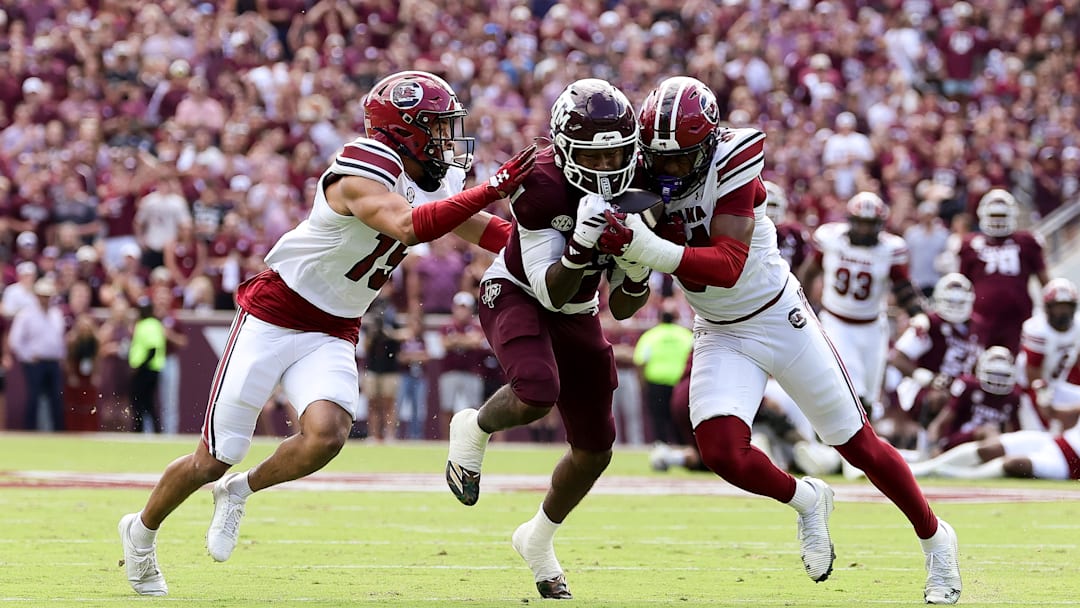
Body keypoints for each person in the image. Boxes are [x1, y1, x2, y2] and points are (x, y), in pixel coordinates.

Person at [117, 70, 535, 596]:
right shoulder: (361, 168)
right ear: (405, 130)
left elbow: (477, 228)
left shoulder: (432, 177)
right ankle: (141, 532)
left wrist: (540, 251)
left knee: (328, 435)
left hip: (335, 325)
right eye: (437, 127)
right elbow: (408, 226)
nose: (449, 139)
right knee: (214, 456)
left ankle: (240, 492)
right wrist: (493, 188)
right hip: (274, 314)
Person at [595, 76, 961, 604]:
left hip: (778, 318)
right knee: (721, 451)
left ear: (707, 145)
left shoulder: (733, 160)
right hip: (720, 331)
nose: (667, 169)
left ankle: (935, 540)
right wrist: (624, 263)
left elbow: (725, 264)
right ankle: (807, 499)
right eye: (659, 157)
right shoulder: (638, 176)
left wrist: (641, 243)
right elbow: (625, 304)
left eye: (679, 159)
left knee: (858, 444)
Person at [444, 78, 650, 600]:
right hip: (517, 290)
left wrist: (636, 266)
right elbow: (548, 290)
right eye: (592, 158)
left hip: (580, 307)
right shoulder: (540, 185)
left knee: (596, 448)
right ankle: (473, 426)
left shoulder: (643, 189)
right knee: (536, 390)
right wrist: (583, 244)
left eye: (617, 157)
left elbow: (624, 306)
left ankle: (538, 539)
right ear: (563, 149)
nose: (606, 171)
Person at [799, 191, 924, 417]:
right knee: (851, 391)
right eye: (861, 223)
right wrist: (803, 309)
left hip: (873, 327)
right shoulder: (831, 239)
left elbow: (902, 285)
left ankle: (859, 447)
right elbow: (808, 273)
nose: (865, 230)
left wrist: (917, 312)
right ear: (850, 221)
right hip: (836, 323)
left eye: (870, 224)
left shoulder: (889, 249)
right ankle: (833, 444)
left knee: (870, 397)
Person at [957, 188, 1048, 354]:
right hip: (980, 319)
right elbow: (962, 283)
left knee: (1017, 364)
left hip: (1018, 318)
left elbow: (1045, 281)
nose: (997, 221)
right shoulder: (971, 243)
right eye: (993, 216)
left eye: (1001, 216)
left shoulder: (1026, 241)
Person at [908, 418, 1080, 480]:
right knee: (991, 448)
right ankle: (926, 468)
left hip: (1069, 463)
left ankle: (952, 474)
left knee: (1014, 464)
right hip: (1055, 440)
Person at [925, 346, 1022, 454]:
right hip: (957, 444)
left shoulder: (1013, 396)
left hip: (990, 447)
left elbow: (1013, 434)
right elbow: (938, 424)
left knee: (996, 433)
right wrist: (933, 448)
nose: (997, 380)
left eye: (1002, 375)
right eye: (994, 374)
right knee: (989, 430)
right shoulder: (968, 386)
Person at [1018, 278, 1080, 432]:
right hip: (1030, 390)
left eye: (1066, 307)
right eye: (1058, 308)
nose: (1063, 312)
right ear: (1047, 308)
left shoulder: (1077, 326)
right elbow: (1033, 374)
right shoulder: (1038, 330)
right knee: (1041, 434)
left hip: (1056, 385)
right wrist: (1045, 402)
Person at [634, 303, 693, 444]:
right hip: (680, 384)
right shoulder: (685, 335)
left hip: (656, 384)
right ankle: (683, 448)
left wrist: (642, 384)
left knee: (658, 420)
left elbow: (640, 361)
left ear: (659, 318)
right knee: (679, 420)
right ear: (676, 318)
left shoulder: (650, 336)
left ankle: (660, 446)